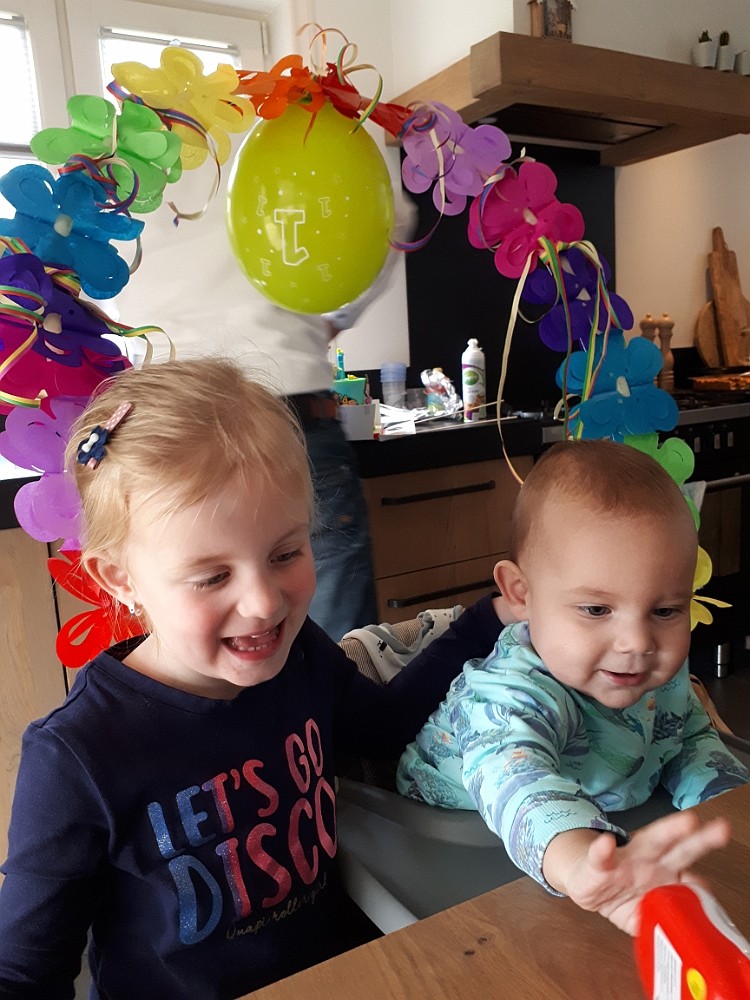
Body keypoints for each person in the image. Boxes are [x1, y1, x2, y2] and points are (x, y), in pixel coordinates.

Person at [0, 356, 505, 1000]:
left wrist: (486, 618)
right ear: (120, 580)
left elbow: (386, 728)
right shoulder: (77, 756)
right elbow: (24, 972)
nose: (265, 603)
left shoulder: (302, 656)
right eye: (213, 576)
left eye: (286, 553)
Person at [397, 438, 748, 935]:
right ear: (521, 594)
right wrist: (582, 861)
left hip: (597, 833)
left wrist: (733, 809)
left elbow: (687, 742)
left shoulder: (656, 674)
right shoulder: (507, 694)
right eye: (597, 609)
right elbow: (518, 784)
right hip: (464, 846)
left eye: (665, 610)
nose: (637, 642)